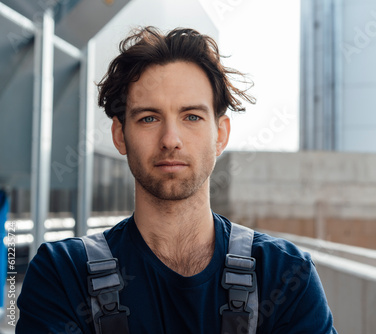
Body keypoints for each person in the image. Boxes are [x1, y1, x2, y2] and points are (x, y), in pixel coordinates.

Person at [17, 26, 338, 333]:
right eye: (149, 118)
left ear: (220, 134)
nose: (171, 139)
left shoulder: (284, 275)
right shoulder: (62, 274)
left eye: (192, 117)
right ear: (120, 135)